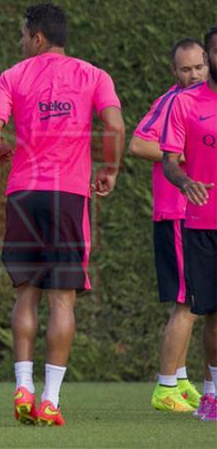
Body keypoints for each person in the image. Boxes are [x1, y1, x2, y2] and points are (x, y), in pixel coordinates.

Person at [0, 3, 125, 426]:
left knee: (26, 291)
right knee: (63, 298)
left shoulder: (12, 76)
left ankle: (22, 387)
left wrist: (4, 151)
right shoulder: (95, 75)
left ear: (37, 37)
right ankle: (50, 400)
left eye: (23, 36)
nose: (21, 42)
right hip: (68, 196)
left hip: (23, 192)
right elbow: (115, 127)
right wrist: (110, 169)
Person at [129, 38, 212, 413]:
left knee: (188, 300)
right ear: (173, 72)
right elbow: (138, 144)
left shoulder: (199, 102)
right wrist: (180, 151)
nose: (193, 74)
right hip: (179, 212)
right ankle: (165, 387)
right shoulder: (172, 102)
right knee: (189, 302)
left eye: (199, 67)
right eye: (185, 69)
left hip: (190, 214)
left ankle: (179, 382)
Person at [161, 25, 217, 422]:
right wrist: (185, 181)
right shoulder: (184, 103)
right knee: (212, 314)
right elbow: (167, 160)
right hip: (202, 223)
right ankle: (212, 394)